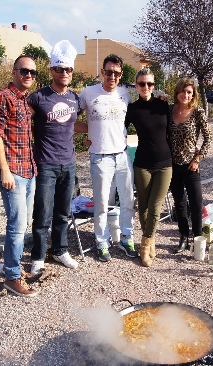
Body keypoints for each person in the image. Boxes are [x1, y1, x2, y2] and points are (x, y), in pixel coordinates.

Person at [28, 40, 87, 275]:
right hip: (45, 164)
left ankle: (60, 250)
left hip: (69, 164)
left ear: (72, 73)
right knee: (42, 213)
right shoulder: (38, 97)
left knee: (63, 212)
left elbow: (74, 124)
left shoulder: (75, 99)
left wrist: (99, 131)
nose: (64, 73)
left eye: (68, 70)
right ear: (52, 70)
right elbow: (23, 124)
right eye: (60, 69)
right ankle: (39, 256)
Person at [0, 55, 38, 297]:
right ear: (14, 72)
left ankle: (14, 267)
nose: (29, 75)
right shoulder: (2, 97)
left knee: (23, 224)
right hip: (13, 173)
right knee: (16, 226)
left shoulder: (25, 102)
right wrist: (4, 170)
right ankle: (12, 277)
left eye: (32, 72)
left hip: (29, 171)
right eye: (24, 71)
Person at [79, 54, 137, 262]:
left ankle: (126, 238)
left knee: (128, 200)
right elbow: (70, 119)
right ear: (102, 72)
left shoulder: (124, 95)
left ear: (121, 75)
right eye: (108, 72)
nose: (112, 76)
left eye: (116, 73)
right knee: (102, 203)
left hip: (122, 155)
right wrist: (90, 133)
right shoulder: (88, 93)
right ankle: (102, 242)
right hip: (100, 157)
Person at [124, 68, 172, 266]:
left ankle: (144, 245)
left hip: (164, 164)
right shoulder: (132, 109)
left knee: (155, 206)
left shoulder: (163, 106)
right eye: (142, 84)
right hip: (142, 164)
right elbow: (117, 128)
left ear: (154, 85)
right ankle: (151, 242)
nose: (146, 87)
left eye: (149, 84)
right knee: (142, 206)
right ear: (136, 85)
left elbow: (176, 128)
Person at [169, 78, 211, 253]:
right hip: (173, 165)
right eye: (183, 91)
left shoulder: (198, 112)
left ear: (193, 95)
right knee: (179, 203)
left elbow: (208, 138)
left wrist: (198, 159)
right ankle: (183, 236)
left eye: (189, 92)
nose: (185, 95)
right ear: (177, 92)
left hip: (191, 165)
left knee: (195, 203)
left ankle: (198, 239)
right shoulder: (170, 109)